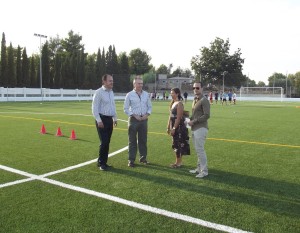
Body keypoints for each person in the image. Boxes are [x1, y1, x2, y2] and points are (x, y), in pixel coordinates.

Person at [124, 76, 152, 167]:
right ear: (134, 84)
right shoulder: (129, 95)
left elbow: (150, 107)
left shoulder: (146, 94)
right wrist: (134, 115)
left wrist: (146, 115)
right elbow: (125, 109)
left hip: (144, 120)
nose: (140, 85)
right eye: (139, 83)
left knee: (143, 140)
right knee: (132, 141)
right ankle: (131, 160)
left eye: (141, 83)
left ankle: (143, 158)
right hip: (133, 120)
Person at [92, 74, 117, 171]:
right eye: (110, 80)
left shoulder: (111, 92)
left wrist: (115, 118)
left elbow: (113, 106)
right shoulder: (98, 92)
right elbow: (94, 108)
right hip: (101, 120)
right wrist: (99, 120)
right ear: (104, 82)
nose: (112, 82)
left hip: (109, 120)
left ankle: (104, 162)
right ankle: (101, 163)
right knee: (104, 141)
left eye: (112, 80)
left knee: (107, 142)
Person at [188, 82, 210, 178]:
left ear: (201, 88)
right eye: (194, 87)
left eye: (197, 87)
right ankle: (198, 168)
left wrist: (194, 121)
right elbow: (194, 114)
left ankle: (204, 171)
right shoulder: (195, 99)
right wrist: (188, 119)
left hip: (201, 128)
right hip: (194, 127)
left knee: (200, 150)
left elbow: (207, 115)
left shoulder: (204, 100)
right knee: (198, 150)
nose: (195, 89)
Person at [167, 88, 190, 168]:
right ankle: (177, 162)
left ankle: (178, 163)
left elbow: (179, 117)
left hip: (179, 127)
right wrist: (168, 127)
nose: (171, 94)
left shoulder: (179, 104)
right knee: (175, 144)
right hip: (174, 125)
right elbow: (170, 116)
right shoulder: (173, 103)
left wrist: (174, 128)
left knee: (178, 144)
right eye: (171, 93)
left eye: (172, 93)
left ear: (177, 94)